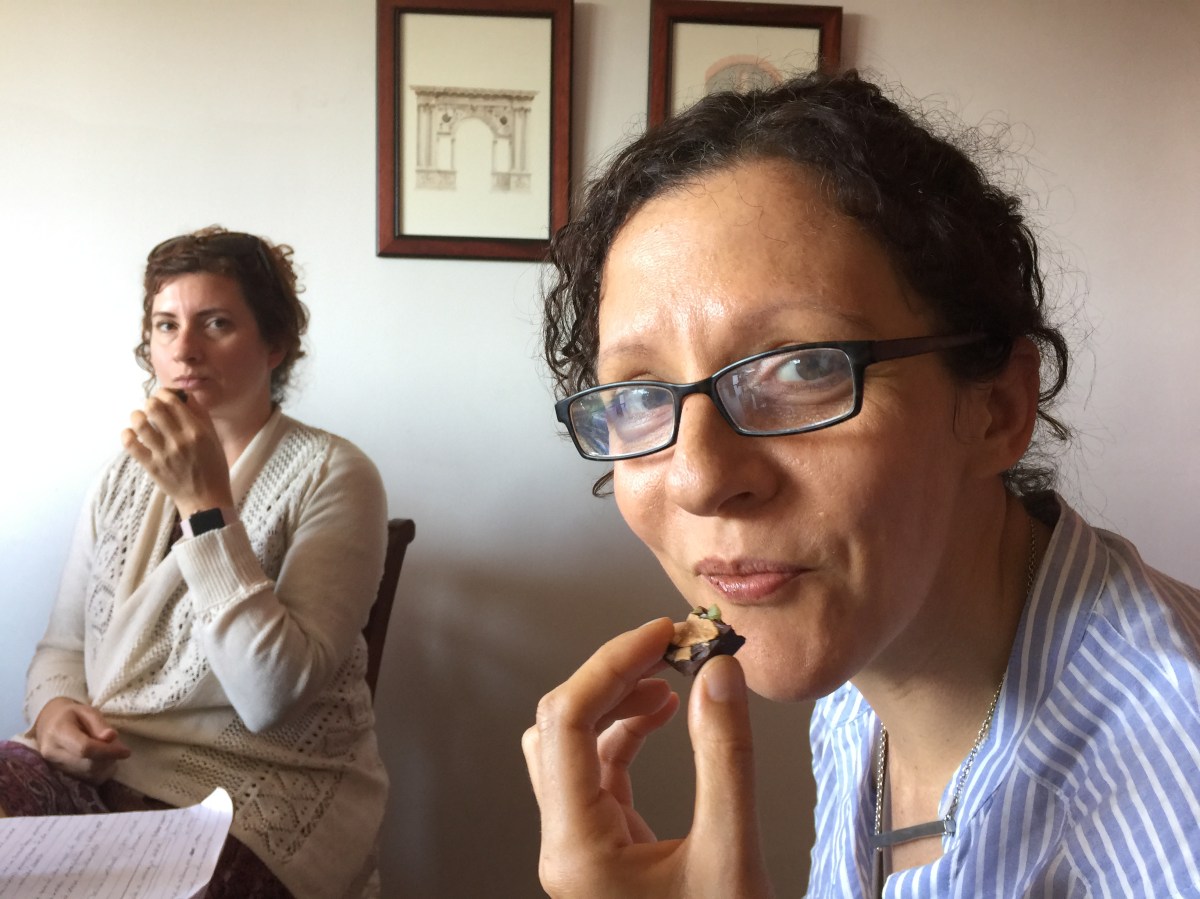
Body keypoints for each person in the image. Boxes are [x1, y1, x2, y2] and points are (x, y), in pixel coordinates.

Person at [522, 71, 1200, 898]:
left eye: (802, 367)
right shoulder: (864, 671)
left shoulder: (1172, 798)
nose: (698, 477)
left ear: (996, 409)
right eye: (637, 395)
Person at [0, 227, 390, 899]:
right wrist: (58, 713)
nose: (184, 349)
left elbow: (272, 695)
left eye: (216, 323)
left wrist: (206, 506)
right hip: (104, 771)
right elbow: (62, 646)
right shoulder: (120, 476)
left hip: (252, 794)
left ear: (275, 344)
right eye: (166, 324)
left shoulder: (335, 474)